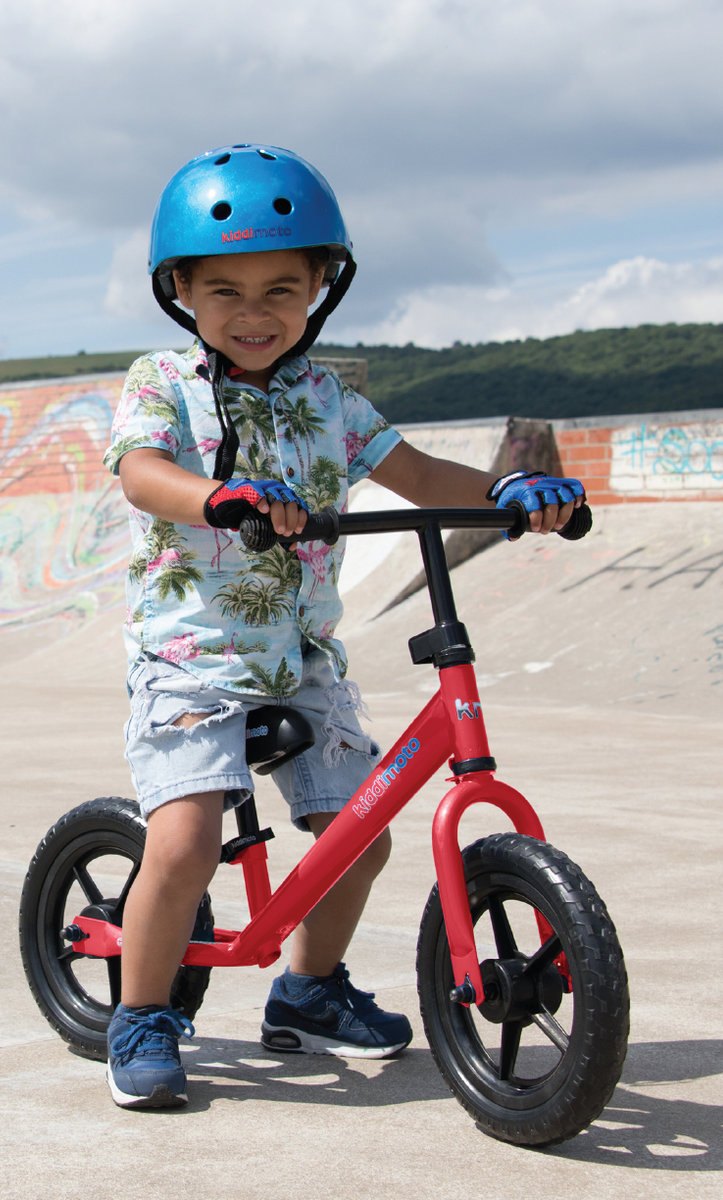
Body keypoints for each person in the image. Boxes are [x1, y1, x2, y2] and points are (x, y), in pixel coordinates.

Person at [102, 143, 586, 1109]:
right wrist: (219, 496)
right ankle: (143, 1011)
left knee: (359, 840)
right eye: (225, 290)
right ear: (182, 293)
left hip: (301, 658)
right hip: (190, 657)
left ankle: (309, 992)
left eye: (283, 287)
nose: (254, 313)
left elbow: (418, 478)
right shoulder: (163, 380)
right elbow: (141, 471)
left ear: (322, 287)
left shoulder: (329, 398)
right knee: (189, 839)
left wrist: (508, 492)